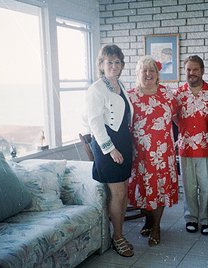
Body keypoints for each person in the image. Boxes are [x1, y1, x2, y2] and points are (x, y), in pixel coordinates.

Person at [84, 44, 134, 257]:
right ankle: (118, 237)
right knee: (118, 192)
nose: (113, 66)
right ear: (101, 65)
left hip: (123, 140)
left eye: (117, 62)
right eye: (109, 62)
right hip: (108, 144)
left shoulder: (119, 84)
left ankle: (118, 233)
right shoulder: (96, 88)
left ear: (121, 65)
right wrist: (110, 149)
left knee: (123, 191)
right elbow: (94, 122)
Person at [127, 56, 178, 247]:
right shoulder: (130, 97)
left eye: (152, 71)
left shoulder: (168, 95)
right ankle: (148, 220)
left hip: (163, 153)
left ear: (157, 75)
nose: (148, 74)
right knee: (144, 190)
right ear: (138, 74)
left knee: (160, 189)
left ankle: (156, 226)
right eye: (144, 71)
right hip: (140, 154)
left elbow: (176, 119)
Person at [173, 55, 208, 235]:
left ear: (202, 71)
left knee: (206, 186)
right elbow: (175, 117)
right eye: (188, 70)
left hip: (207, 147)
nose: (191, 73)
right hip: (186, 147)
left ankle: (207, 220)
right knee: (189, 186)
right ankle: (191, 218)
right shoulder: (178, 94)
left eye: (195, 69)